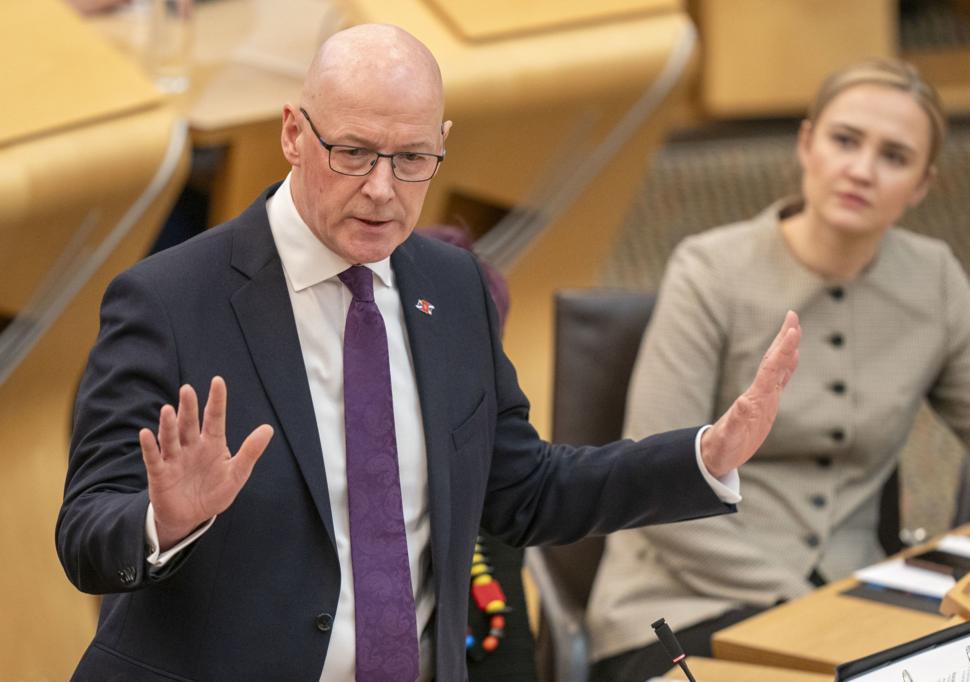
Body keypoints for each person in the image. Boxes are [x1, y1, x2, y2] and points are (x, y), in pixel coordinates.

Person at [56, 24, 800, 682]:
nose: (384, 190)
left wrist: (705, 454)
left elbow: (523, 490)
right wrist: (164, 523)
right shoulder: (168, 298)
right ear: (293, 133)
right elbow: (86, 534)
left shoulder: (452, 287)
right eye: (352, 153)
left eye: (413, 157)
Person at [586, 57, 970, 681]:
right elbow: (656, 486)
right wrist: (800, 605)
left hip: (858, 607)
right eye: (845, 141)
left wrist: (831, 612)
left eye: (893, 157)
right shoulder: (708, 269)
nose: (861, 170)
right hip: (685, 604)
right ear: (806, 144)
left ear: (922, 186)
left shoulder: (936, 280)